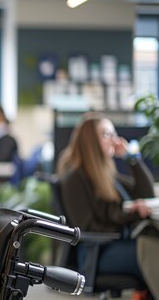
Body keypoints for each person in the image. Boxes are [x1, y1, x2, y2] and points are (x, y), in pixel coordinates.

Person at [57, 112, 154, 281]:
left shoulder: (106, 174)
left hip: (116, 245)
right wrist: (130, 214)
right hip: (97, 253)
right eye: (106, 134)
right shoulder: (74, 177)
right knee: (154, 254)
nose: (114, 140)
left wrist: (130, 158)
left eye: (114, 134)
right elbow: (87, 227)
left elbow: (147, 194)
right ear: (90, 140)